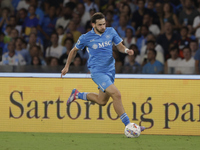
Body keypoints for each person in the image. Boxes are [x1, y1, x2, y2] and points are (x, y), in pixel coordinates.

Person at [61, 12, 145, 131]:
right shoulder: (85, 38)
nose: (103, 27)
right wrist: (66, 67)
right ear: (93, 25)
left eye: (104, 24)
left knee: (102, 101)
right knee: (116, 94)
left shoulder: (110, 31)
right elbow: (73, 51)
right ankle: (130, 126)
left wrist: (127, 50)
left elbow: (119, 46)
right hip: (97, 72)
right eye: (100, 25)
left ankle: (77, 94)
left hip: (110, 70)